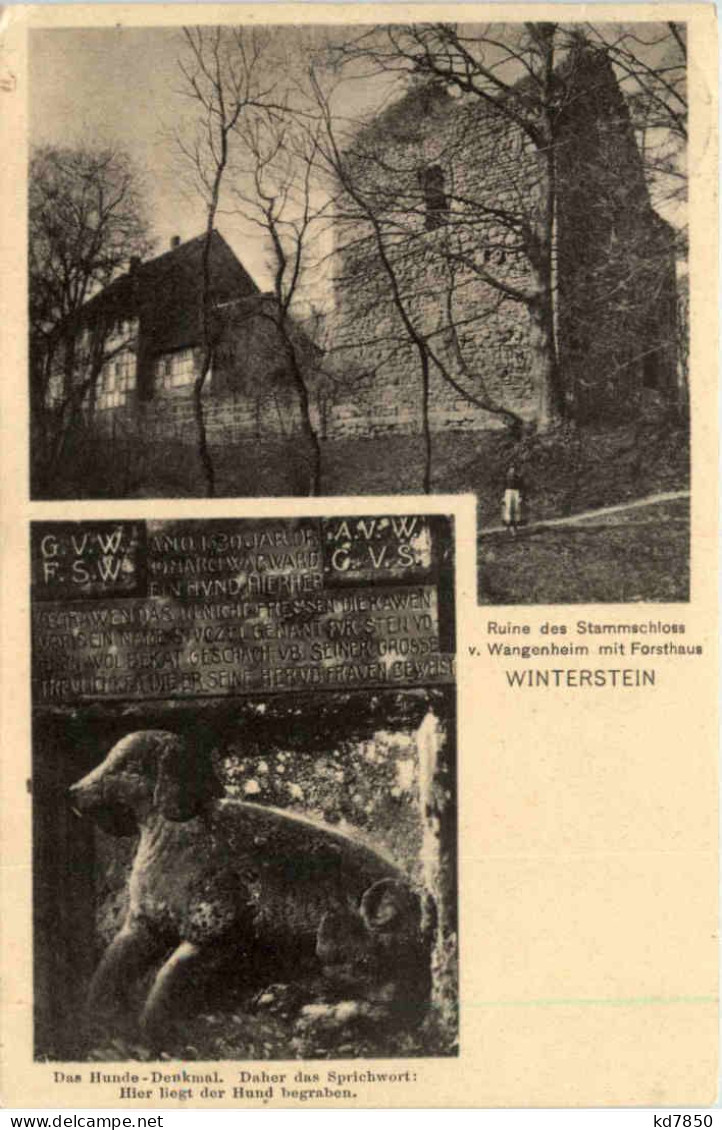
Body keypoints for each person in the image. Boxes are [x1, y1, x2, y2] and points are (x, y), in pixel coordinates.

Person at [502, 463, 525, 534]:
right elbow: (502, 487)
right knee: (508, 509)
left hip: (516, 493)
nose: (512, 470)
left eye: (514, 469)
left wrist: (521, 496)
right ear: (508, 470)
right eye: (511, 469)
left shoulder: (518, 478)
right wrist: (502, 497)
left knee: (516, 509)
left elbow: (522, 487)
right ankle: (509, 526)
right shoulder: (505, 478)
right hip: (508, 493)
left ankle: (515, 527)